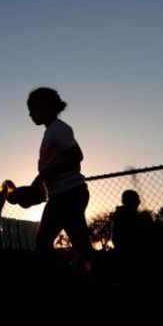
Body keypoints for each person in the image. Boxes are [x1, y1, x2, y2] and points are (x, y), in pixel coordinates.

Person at [26, 87, 94, 260]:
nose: (30, 114)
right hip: (63, 194)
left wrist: (42, 176)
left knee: (43, 242)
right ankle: (99, 274)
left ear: (46, 106)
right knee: (80, 245)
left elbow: (76, 155)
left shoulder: (57, 129)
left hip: (68, 194)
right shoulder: (52, 131)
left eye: (33, 109)